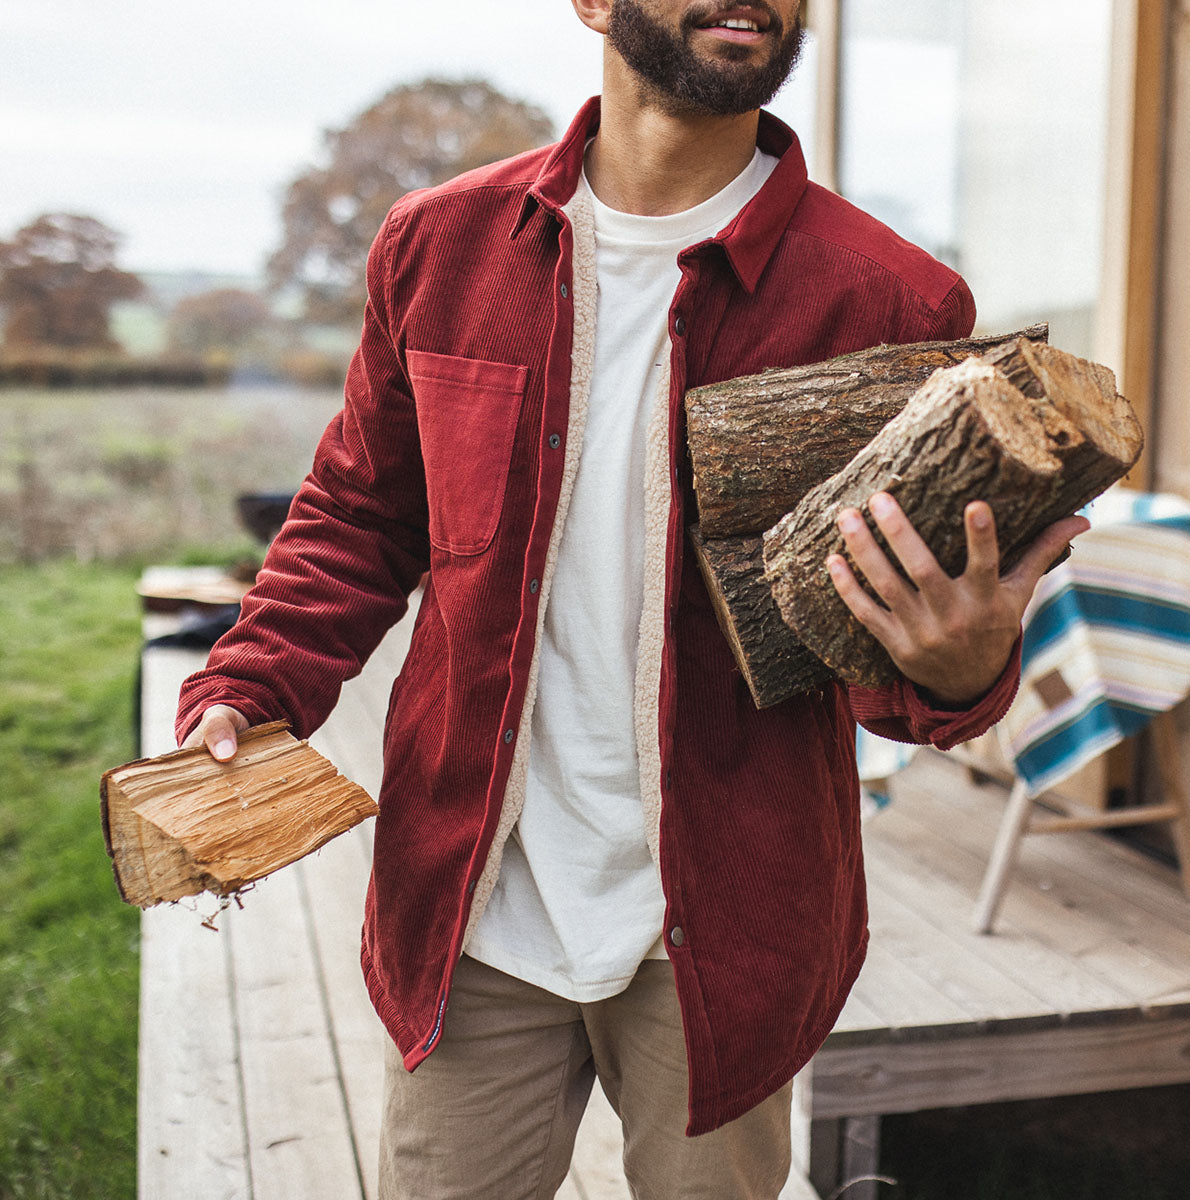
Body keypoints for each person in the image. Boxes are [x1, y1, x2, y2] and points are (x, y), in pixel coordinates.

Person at [178, 1, 1087, 1196]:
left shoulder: (892, 304)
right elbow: (360, 516)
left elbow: (882, 672)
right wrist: (250, 686)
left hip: (732, 920)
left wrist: (959, 670)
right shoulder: (440, 247)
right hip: (472, 902)